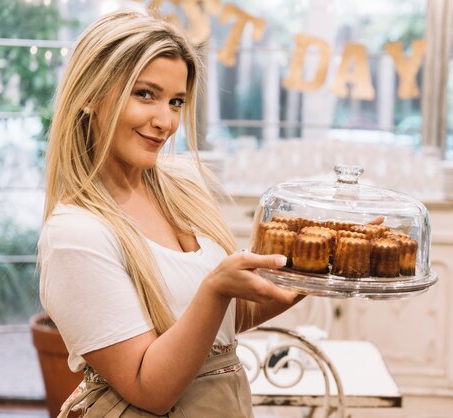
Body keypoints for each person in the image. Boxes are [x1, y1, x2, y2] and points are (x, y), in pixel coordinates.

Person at [38, 8, 302, 417]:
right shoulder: (76, 234)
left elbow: (220, 323)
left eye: (176, 101)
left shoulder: (183, 187)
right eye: (145, 94)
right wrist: (215, 288)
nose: (166, 121)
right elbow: (150, 389)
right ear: (89, 95)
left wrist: (313, 271)